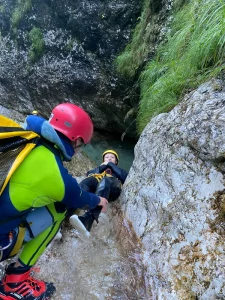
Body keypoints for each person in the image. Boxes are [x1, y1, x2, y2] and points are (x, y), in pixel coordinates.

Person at [0, 103, 108, 300]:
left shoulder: (25, 137)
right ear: (76, 142)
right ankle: (16, 281)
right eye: (81, 145)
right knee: (59, 209)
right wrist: (99, 200)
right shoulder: (57, 176)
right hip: (2, 242)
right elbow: (80, 198)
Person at [70, 149, 128, 238]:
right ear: (103, 160)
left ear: (116, 161)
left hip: (113, 189)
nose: (109, 159)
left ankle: (89, 218)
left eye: (112, 158)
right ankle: (64, 217)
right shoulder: (98, 170)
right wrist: (101, 168)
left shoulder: (120, 171)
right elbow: (88, 174)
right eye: (107, 157)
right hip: (98, 184)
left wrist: (110, 165)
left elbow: (125, 177)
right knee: (86, 183)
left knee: (105, 180)